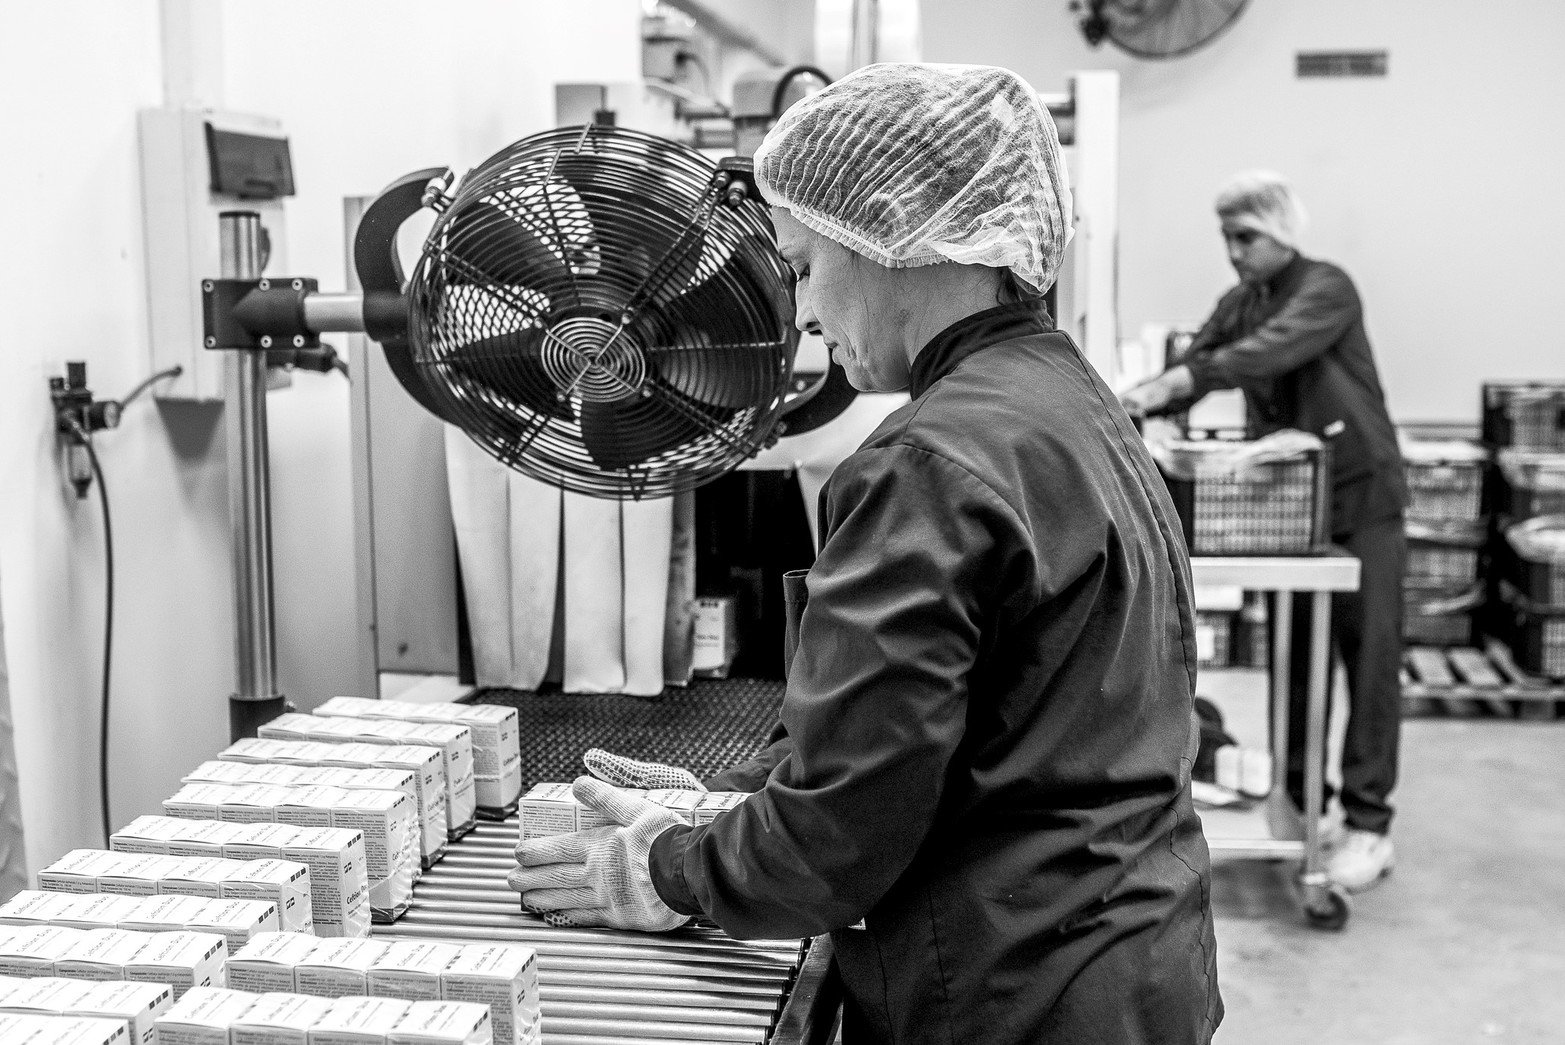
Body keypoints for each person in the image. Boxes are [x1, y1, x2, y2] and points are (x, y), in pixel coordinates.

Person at [510, 63, 1223, 1044]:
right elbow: (992, 727)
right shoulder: (1066, 399)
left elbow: (834, 843)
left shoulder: (925, 465)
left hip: (1004, 994)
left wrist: (670, 865)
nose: (799, 314)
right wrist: (739, 802)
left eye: (803, 267)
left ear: (890, 233)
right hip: (1127, 964)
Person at [1120, 171, 1407, 892]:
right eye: (1225, 237)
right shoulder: (1241, 301)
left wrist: (1179, 384)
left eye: (1244, 237)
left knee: (1366, 658)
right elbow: (1199, 355)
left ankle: (1370, 825)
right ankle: (1309, 804)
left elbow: (1265, 351)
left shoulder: (1325, 288)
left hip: (1359, 496)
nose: (1232, 251)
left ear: (1280, 232)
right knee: (1297, 661)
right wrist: (1140, 391)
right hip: (1292, 512)